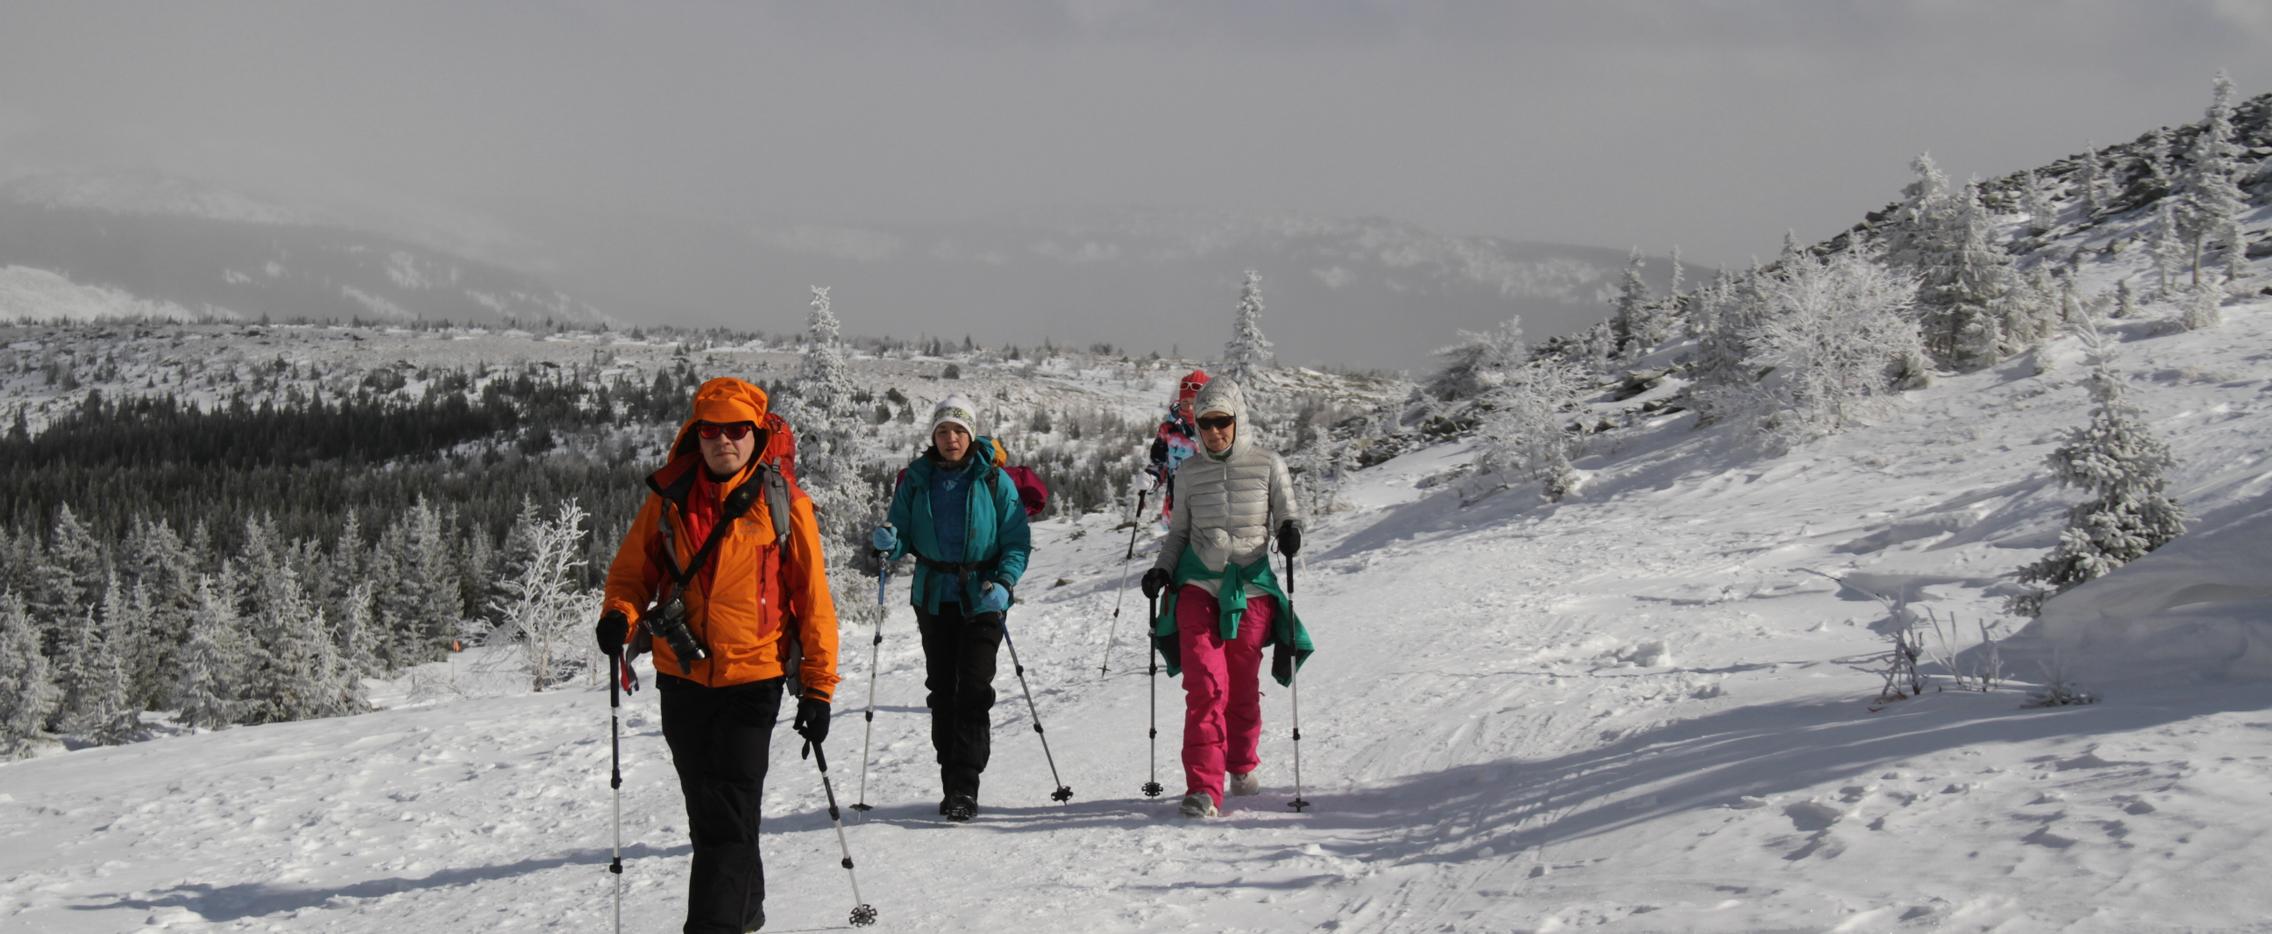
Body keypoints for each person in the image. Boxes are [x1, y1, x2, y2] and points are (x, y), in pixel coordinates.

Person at [594, 376, 839, 934]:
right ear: (696, 433)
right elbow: (633, 573)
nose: (723, 440)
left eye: (736, 429)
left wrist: (819, 686)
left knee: (727, 809)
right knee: (708, 808)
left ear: (756, 434)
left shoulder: (784, 504)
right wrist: (619, 616)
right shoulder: (669, 498)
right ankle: (745, 906)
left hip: (754, 677)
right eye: (711, 430)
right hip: (681, 676)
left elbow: (813, 600)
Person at [1140, 377, 1313, 819]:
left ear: (1238, 420)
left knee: (1241, 688)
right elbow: (1178, 534)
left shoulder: (1268, 463)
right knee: (1205, 686)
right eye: (1206, 423)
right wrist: (1162, 569)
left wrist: (1289, 531)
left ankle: (1240, 763)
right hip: (1198, 584)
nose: (1215, 431)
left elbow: (1288, 514)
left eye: (1223, 422)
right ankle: (1203, 788)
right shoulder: (1189, 473)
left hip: (1250, 588)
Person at [871, 394, 1033, 822]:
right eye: (942, 431)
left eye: (959, 430)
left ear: (971, 434)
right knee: (942, 689)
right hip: (933, 595)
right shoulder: (917, 479)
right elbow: (901, 532)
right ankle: (951, 781)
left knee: (973, 687)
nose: (951, 439)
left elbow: (1016, 540)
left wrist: (1005, 583)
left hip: (984, 593)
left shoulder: (994, 480)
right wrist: (891, 540)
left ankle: (965, 785)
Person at [1146, 369, 1210, 522]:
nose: (1189, 408)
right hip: (1176, 512)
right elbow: (1160, 464)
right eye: (1185, 402)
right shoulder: (1169, 429)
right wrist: (1151, 478)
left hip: (1211, 514)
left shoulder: (1216, 430)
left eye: (1195, 403)